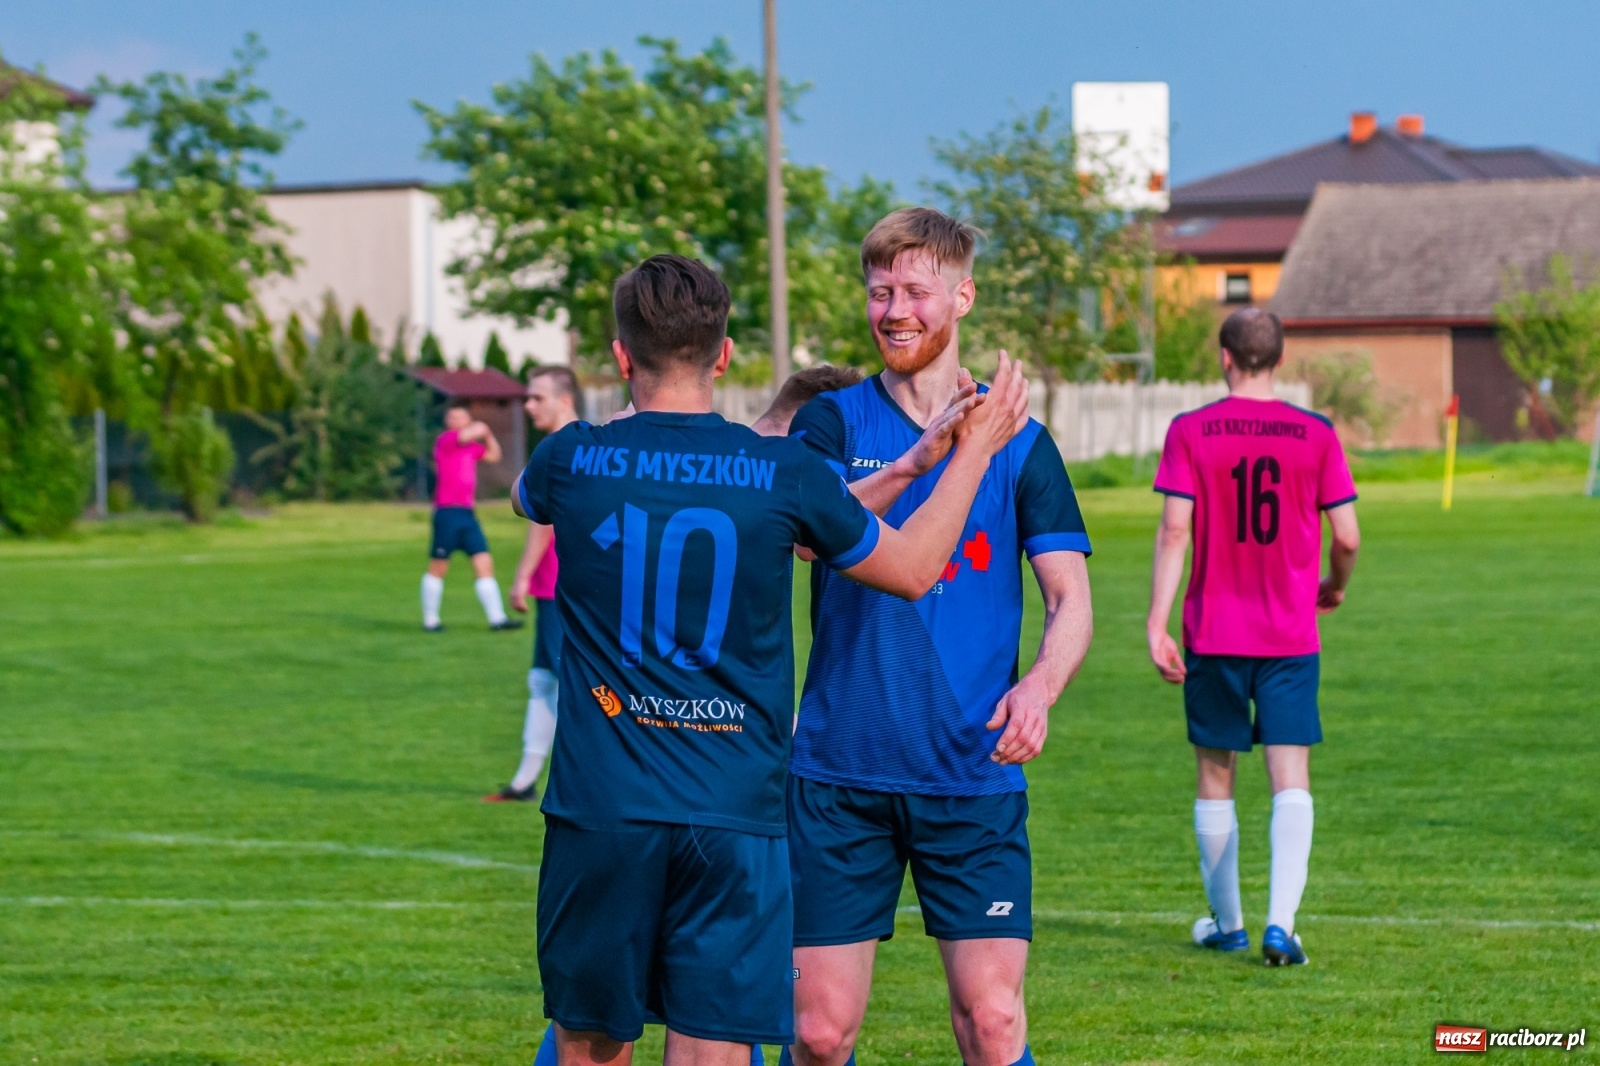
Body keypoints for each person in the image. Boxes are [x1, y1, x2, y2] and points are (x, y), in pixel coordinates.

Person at [513, 253, 1029, 1066]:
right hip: (734, 815)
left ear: (619, 356)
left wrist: (904, 465)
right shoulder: (780, 473)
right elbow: (912, 569)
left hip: (602, 807)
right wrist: (970, 454)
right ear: (724, 355)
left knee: (587, 1045)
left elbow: (527, 496)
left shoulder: (570, 458)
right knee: (715, 1051)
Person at [783, 208, 1094, 1066]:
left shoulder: (1022, 444)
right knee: (818, 1033)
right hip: (839, 774)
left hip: (970, 773)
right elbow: (807, 535)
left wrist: (1040, 687)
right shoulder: (831, 425)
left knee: (992, 1023)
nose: (894, 311)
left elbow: (1071, 598)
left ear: (962, 297)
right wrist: (916, 462)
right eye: (879, 292)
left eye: (915, 291)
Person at [1146, 307, 1360, 967]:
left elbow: (1174, 530)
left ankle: (1229, 923)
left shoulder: (1190, 430)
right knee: (1289, 775)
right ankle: (1281, 925)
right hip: (1289, 634)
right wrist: (1335, 582)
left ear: (1225, 357)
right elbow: (1349, 536)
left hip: (1213, 631)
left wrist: (1156, 619)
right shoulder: (1316, 433)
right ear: (1280, 358)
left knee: (1216, 774)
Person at [486, 367, 584, 803]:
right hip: (556, 585)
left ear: (565, 400)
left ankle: (592, 782)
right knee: (543, 679)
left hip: (563, 586)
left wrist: (522, 575)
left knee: (576, 686)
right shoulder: (585, 445)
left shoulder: (563, 449)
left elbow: (542, 523)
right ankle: (524, 781)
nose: (528, 406)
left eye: (537, 398)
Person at [421, 402, 522, 633]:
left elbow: (494, 455)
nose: (456, 421)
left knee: (483, 561)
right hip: (447, 513)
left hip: (467, 514)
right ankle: (431, 620)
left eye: (460, 417)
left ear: (467, 419)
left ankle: (497, 619)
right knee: (439, 566)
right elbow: (469, 433)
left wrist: (487, 434)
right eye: (452, 417)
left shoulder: (471, 447)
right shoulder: (447, 440)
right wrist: (481, 428)